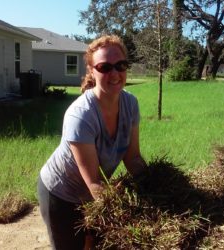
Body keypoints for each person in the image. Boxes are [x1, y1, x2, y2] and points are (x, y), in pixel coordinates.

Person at [37, 35, 147, 250]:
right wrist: (126, 212)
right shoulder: (81, 115)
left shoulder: (130, 104)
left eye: (120, 65)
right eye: (104, 67)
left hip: (93, 193)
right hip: (61, 193)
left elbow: (133, 158)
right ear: (92, 71)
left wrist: (155, 188)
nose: (114, 73)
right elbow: (94, 183)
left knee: (94, 245)